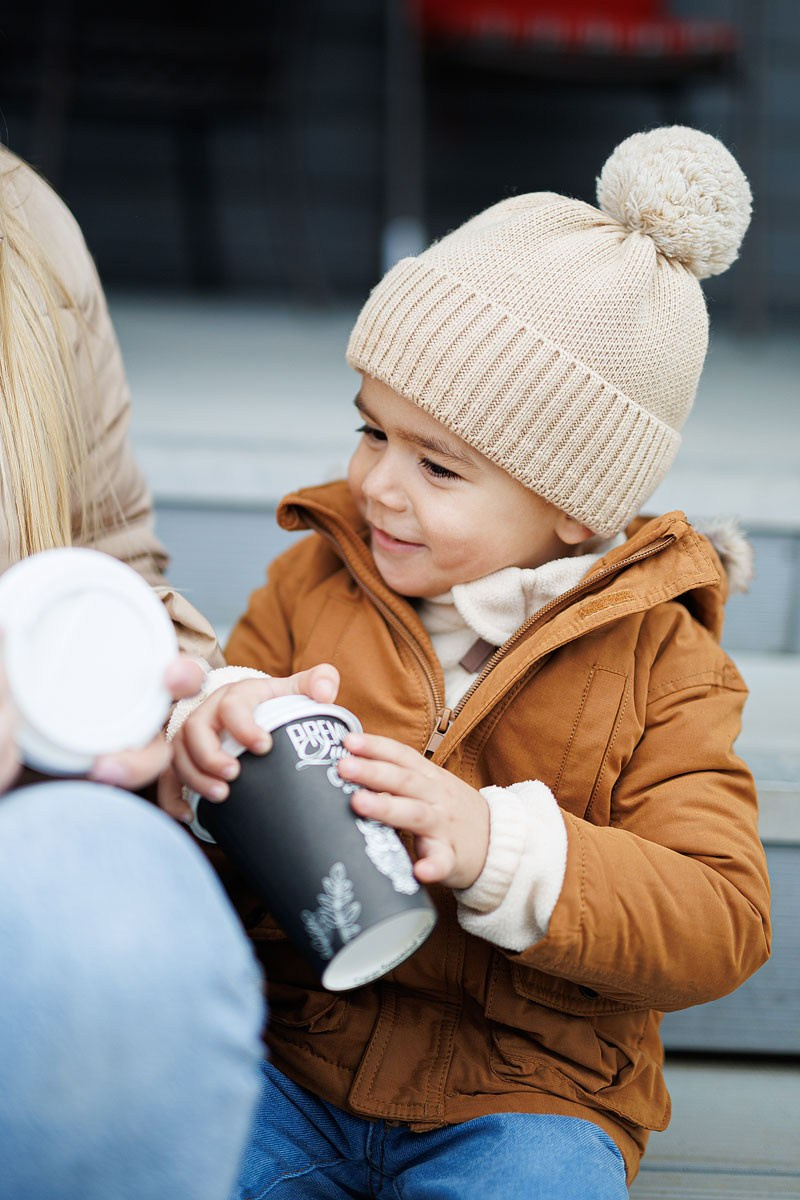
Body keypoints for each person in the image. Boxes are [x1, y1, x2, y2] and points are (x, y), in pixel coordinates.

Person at [163, 126, 771, 1198]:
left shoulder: (661, 665)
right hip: (291, 1063)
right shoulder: (312, 586)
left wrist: (498, 845)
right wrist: (207, 743)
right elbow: (209, 836)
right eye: (370, 432)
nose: (377, 487)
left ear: (573, 509)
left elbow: (718, 917)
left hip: (527, 1100)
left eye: (436, 466)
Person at [0, 146, 265, 1200]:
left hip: (37, 809)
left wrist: (170, 694)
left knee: (120, 922)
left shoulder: (24, 224)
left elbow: (112, 564)